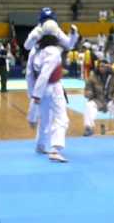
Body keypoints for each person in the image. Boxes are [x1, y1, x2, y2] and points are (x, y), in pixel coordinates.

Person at [26, 31, 70, 162]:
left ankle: (40, 144)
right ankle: (55, 149)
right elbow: (45, 75)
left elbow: (30, 75)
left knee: (45, 118)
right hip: (52, 87)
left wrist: (34, 96)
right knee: (61, 118)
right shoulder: (53, 51)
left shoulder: (35, 52)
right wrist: (36, 96)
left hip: (42, 88)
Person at [83, 59, 114, 136]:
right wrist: (89, 93)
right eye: (100, 66)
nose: (102, 68)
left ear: (108, 67)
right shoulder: (92, 77)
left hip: (110, 101)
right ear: (98, 67)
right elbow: (87, 90)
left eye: (104, 66)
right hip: (97, 101)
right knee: (89, 105)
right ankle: (88, 128)